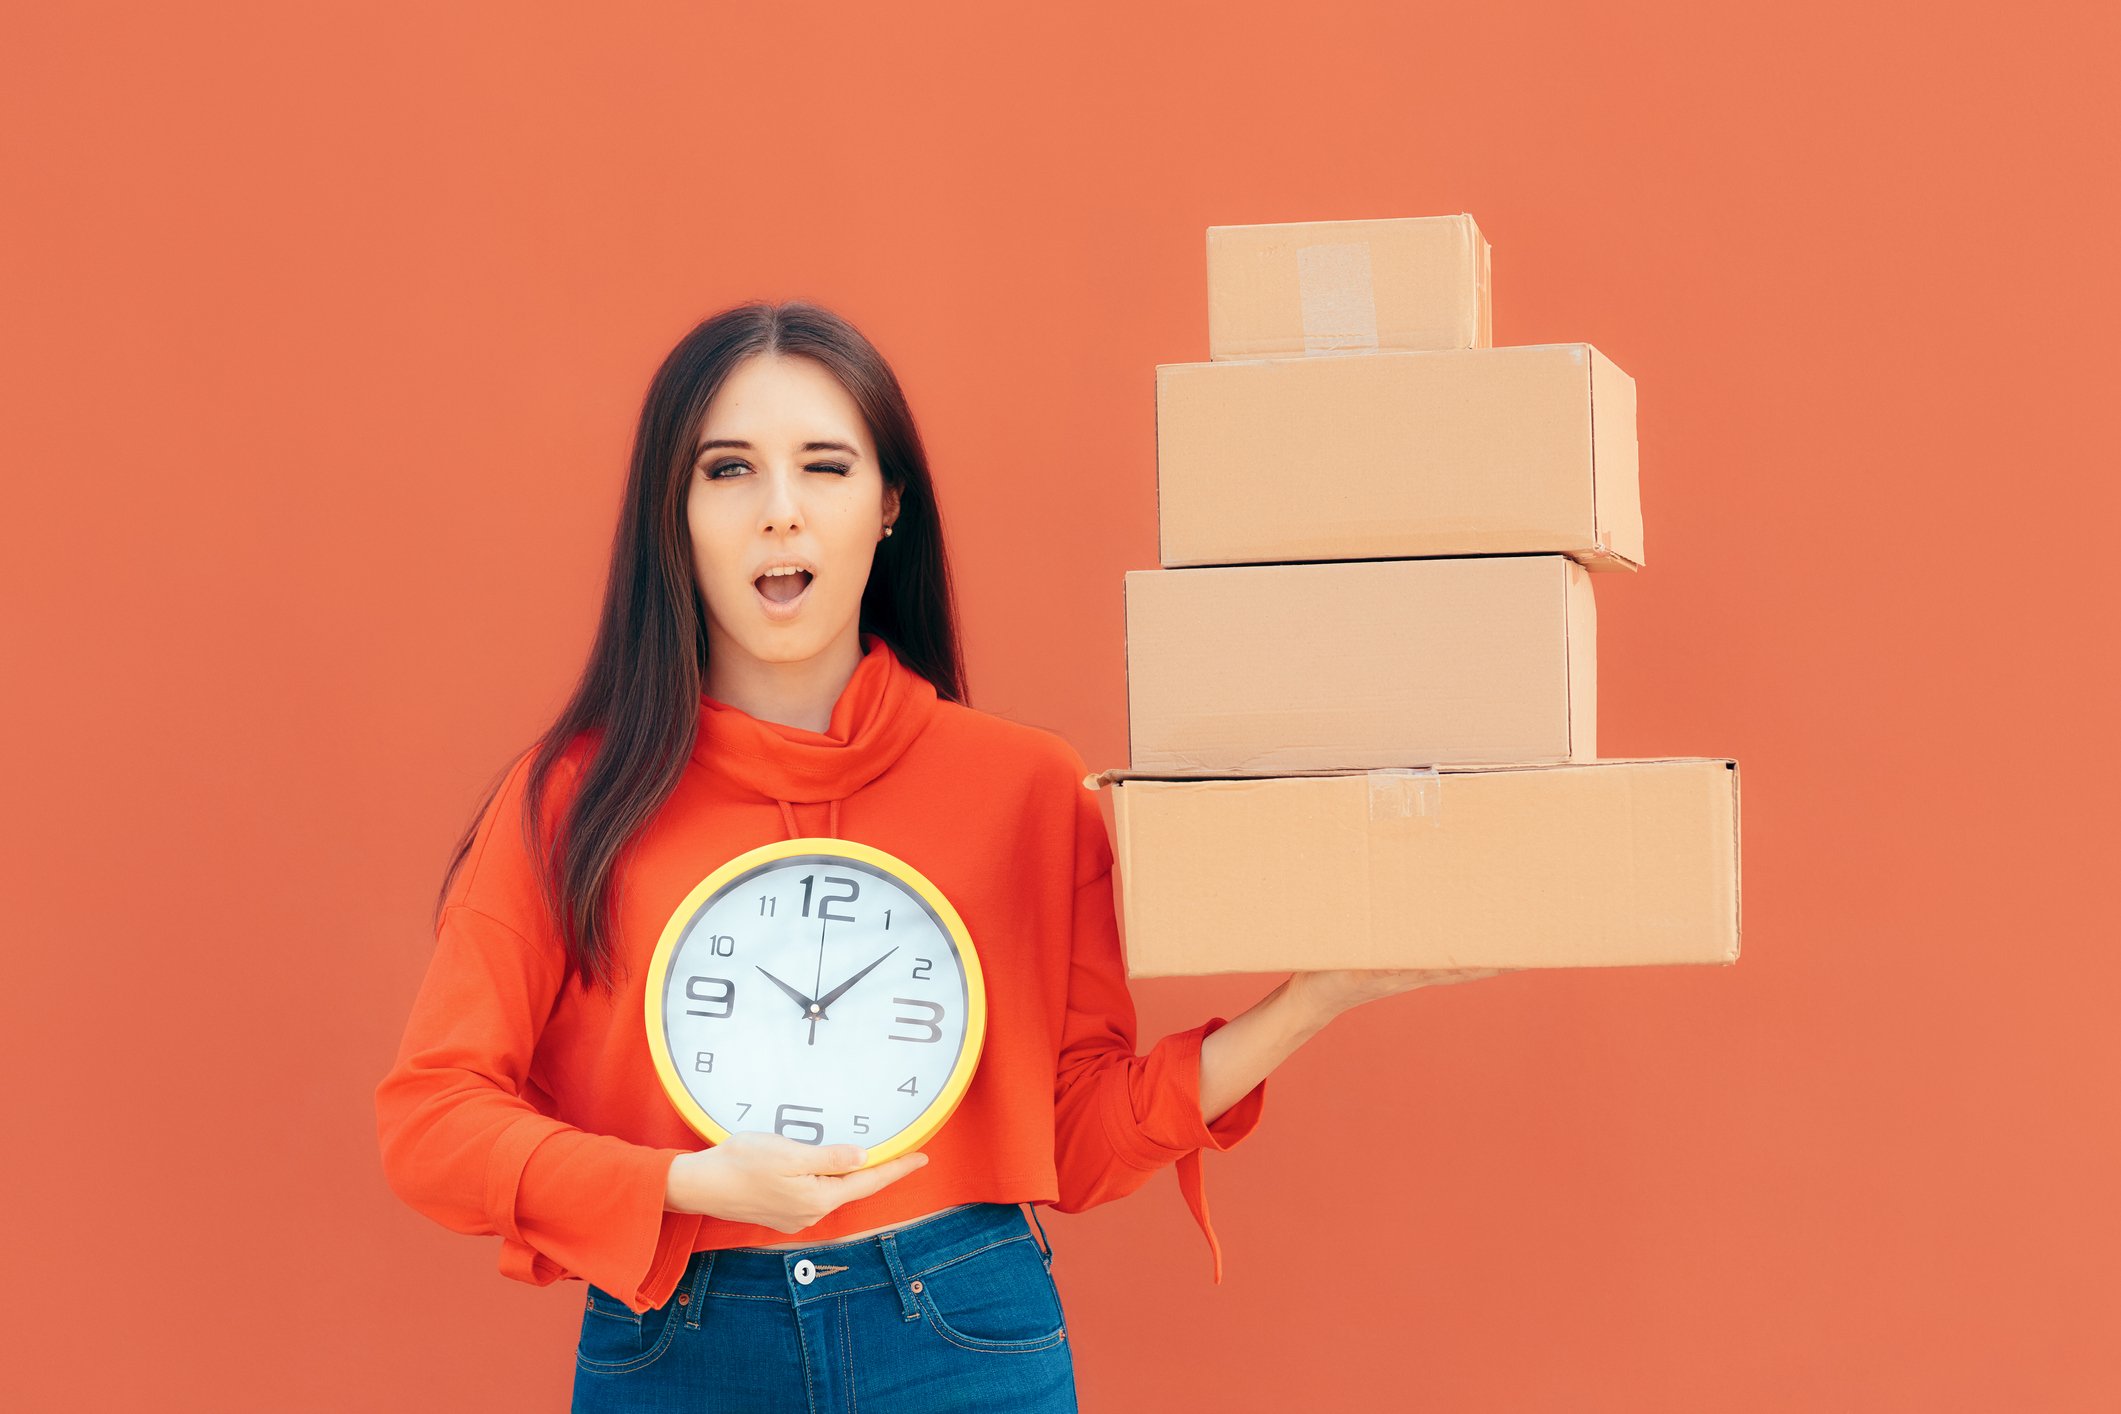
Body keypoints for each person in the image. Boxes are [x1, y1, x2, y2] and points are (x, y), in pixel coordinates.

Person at [373, 300, 1506, 1412]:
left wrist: (1311, 1001)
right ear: (672, 514)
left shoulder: (1022, 788)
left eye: (824, 466)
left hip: (956, 1330)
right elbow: (431, 1121)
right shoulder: (575, 798)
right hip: (681, 1344)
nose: (780, 512)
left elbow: (1075, 1133)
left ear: (888, 506)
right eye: (728, 470)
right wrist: (680, 1182)